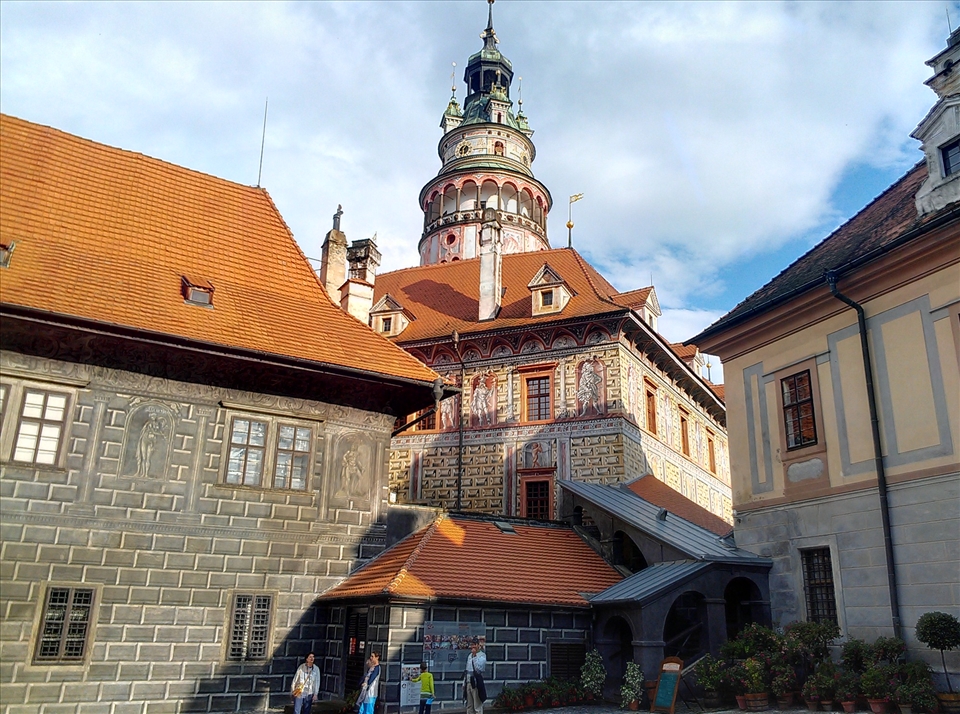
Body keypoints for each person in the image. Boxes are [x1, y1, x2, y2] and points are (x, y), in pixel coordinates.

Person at [464, 642, 486, 714]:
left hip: (476, 682)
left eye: (474, 645)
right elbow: (467, 669)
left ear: (478, 646)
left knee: (477, 706)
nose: (473, 647)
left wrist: (475, 656)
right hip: (468, 681)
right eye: (472, 645)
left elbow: (479, 669)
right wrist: (464, 682)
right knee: (469, 705)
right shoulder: (469, 655)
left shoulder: (482, 655)